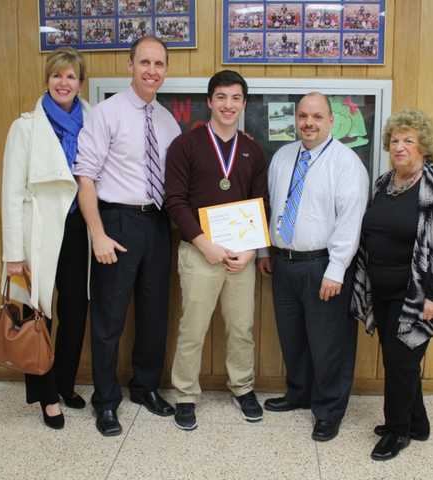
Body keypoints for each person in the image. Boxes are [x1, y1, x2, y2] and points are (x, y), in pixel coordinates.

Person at [74, 36, 181, 437]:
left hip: (157, 223)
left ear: (165, 70)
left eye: (159, 64)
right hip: (116, 222)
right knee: (109, 318)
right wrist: (97, 234)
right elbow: (85, 178)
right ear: (130, 65)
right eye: (145, 63)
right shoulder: (106, 113)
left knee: (155, 315)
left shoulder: (168, 121)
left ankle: (145, 387)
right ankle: (105, 402)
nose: (152, 70)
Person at [351, 109, 433, 460]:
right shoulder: (385, 183)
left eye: (408, 141)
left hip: (416, 295)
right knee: (400, 361)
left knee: (401, 363)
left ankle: (397, 432)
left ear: (424, 147)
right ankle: (418, 422)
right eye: (395, 140)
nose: (399, 147)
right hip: (381, 291)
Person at [257, 92, 369, 442]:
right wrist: (264, 250)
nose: (309, 123)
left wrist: (336, 269)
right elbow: (272, 206)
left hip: (324, 266)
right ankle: (299, 393)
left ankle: (329, 410)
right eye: (303, 116)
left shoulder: (346, 162)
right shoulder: (283, 157)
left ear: (331, 121)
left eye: (317, 117)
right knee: (293, 338)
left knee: (329, 343)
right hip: (284, 263)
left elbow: (350, 222)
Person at [164, 70, 268, 430]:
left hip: (242, 257)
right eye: (221, 97)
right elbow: (174, 201)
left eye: (235, 98)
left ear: (243, 104)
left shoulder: (253, 150)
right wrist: (202, 243)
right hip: (199, 252)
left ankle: (242, 387)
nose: (228, 105)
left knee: (241, 328)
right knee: (192, 328)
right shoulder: (185, 146)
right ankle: (186, 395)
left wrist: (253, 251)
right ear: (209, 101)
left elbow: (260, 202)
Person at [1, 47, 91, 429]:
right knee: (37, 314)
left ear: (80, 82)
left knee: (75, 311)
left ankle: (65, 383)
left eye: (71, 76)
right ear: (47, 80)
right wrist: (12, 253)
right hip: (37, 231)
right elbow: (10, 192)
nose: (64, 83)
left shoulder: (92, 121)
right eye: (57, 75)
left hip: (79, 228)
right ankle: (46, 394)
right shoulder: (25, 127)